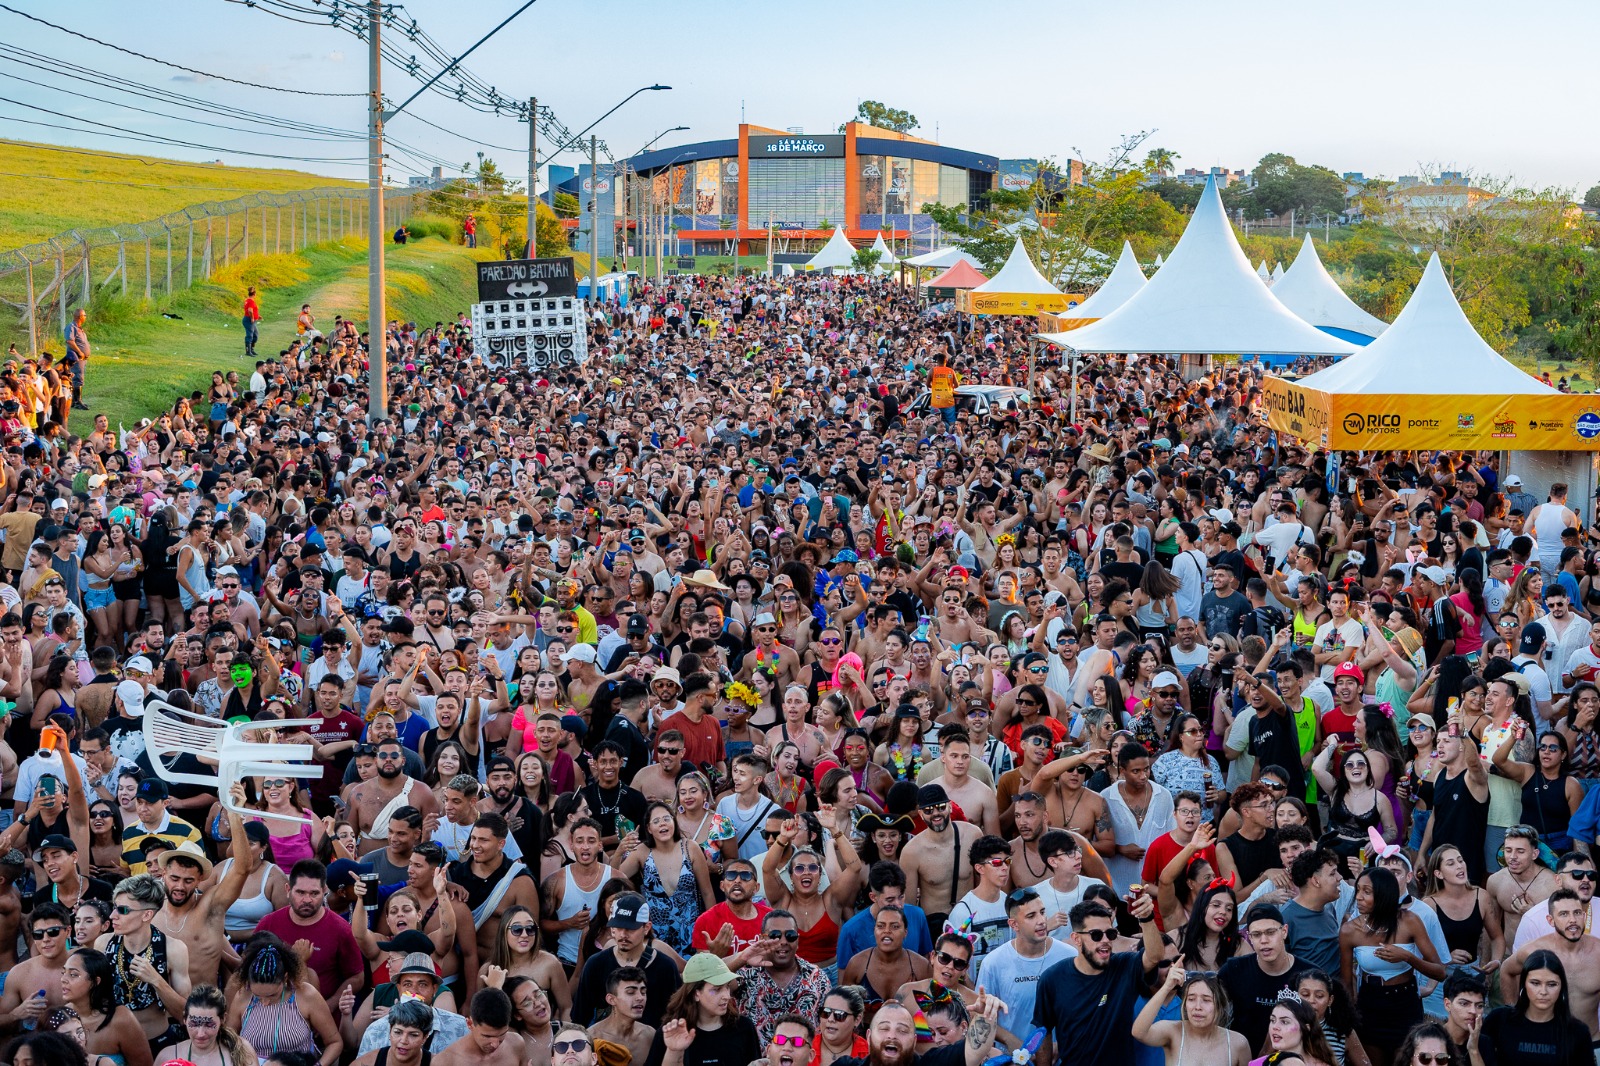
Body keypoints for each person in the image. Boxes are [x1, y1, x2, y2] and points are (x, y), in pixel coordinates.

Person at [1032, 892, 1165, 1066]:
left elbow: (1155, 956)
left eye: (1110, 934)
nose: (1105, 940)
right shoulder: (1052, 979)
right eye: (1096, 935)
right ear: (1076, 939)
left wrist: (1146, 917)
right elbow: (1044, 1031)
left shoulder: (1124, 966)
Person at [971, 888, 1073, 1040]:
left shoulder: (1069, 956)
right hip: (1013, 1059)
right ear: (1014, 924)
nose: (1041, 920)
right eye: (1031, 916)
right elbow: (982, 1016)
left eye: (1042, 912)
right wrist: (1011, 1044)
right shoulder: (993, 963)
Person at [1218, 905, 1313, 1054]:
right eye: (1256, 934)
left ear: (1284, 931)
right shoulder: (1233, 970)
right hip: (1241, 1057)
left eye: (1270, 932)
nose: (1264, 940)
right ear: (1249, 937)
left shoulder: (1308, 975)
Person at [1478, 950, 1591, 1066]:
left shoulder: (1578, 1032)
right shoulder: (1499, 1020)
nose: (1543, 992)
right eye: (1535, 983)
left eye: (1552, 984)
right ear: (1524, 985)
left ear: (1562, 987)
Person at [652, 952, 761, 1066]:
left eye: (727, 987)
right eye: (717, 989)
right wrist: (673, 1052)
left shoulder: (744, 1027)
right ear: (695, 993)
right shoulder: (672, 1032)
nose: (727, 996)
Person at [1132, 965, 1250, 1066]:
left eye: (1206, 1000)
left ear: (1219, 1005)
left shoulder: (1238, 1043)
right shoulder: (1173, 1032)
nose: (1197, 1006)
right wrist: (1167, 987)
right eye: (1191, 999)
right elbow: (1139, 1033)